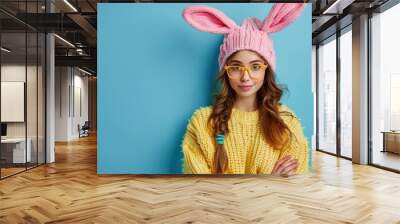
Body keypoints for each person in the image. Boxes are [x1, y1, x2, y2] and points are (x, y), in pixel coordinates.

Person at [181, 3, 308, 176]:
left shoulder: (287, 123)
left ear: (266, 69)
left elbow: (293, 189)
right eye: (235, 67)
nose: (245, 77)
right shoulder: (202, 123)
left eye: (255, 66)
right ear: (225, 71)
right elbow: (200, 190)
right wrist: (268, 181)